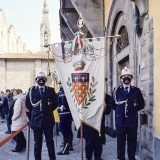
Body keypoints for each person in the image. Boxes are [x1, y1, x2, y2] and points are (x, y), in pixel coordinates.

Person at [109, 66, 145, 160]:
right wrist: (119, 111)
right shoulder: (116, 91)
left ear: (131, 78)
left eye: (128, 76)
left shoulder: (136, 90)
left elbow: (142, 104)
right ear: (121, 79)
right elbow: (112, 104)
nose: (126, 78)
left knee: (132, 145)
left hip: (132, 122)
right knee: (120, 145)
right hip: (120, 122)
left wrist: (132, 111)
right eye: (124, 77)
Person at [26, 71, 58, 160]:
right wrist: (32, 118)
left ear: (45, 80)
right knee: (37, 144)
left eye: (43, 78)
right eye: (39, 78)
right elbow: (28, 105)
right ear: (36, 80)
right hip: (36, 121)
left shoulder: (51, 90)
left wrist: (48, 111)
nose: (41, 80)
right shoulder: (31, 90)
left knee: (50, 143)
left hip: (48, 120)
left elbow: (55, 103)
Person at [57, 84, 73, 155]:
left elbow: (64, 104)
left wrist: (60, 108)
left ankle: (65, 149)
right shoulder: (67, 91)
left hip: (64, 114)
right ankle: (69, 146)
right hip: (68, 114)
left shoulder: (63, 92)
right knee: (68, 131)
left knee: (65, 132)